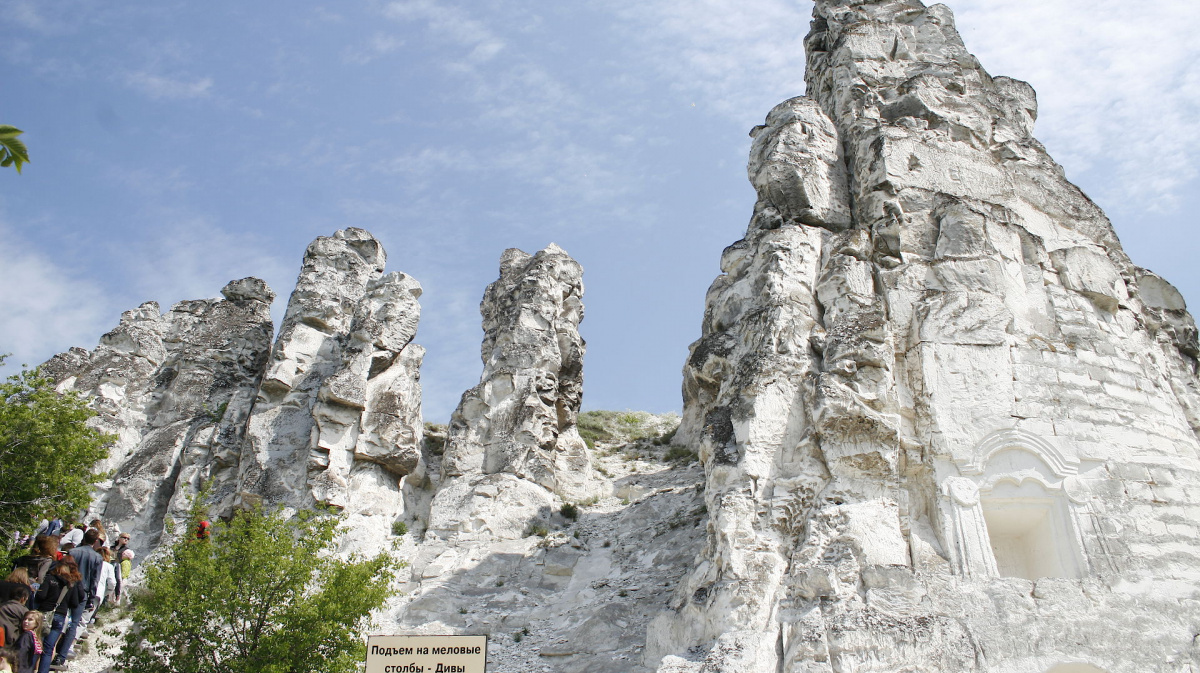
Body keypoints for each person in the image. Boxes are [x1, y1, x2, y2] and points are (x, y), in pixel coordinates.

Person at [35, 559, 82, 673]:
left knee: (36, 645)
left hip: (45, 614)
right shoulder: (71, 584)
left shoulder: (49, 579)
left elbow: (40, 596)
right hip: (60, 616)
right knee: (49, 648)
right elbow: (75, 603)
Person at [13, 537, 58, 609]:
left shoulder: (26, 557)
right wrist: (35, 587)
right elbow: (41, 577)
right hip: (32, 583)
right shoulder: (46, 560)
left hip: (20, 580)